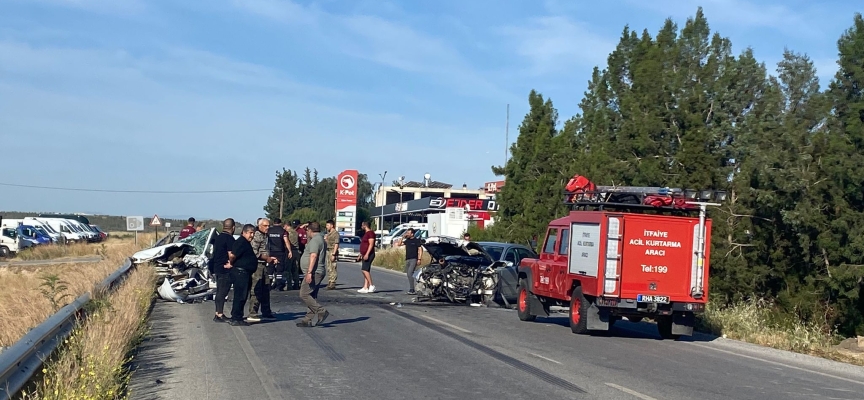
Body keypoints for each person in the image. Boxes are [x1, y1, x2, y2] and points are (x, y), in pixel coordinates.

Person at [297, 222, 330, 327]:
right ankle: (308, 319)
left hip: (314, 272)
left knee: (304, 294)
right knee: (311, 296)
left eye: (307, 231)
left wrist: (309, 272)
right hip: (318, 271)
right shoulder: (320, 239)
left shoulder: (316, 240)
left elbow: (313, 256)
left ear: (310, 230)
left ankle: (321, 310)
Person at [225, 224, 258, 326]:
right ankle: (236, 318)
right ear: (244, 232)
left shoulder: (245, 243)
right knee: (240, 296)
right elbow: (232, 255)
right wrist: (231, 263)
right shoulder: (241, 242)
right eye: (250, 233)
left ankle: (237, 316)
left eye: (253, 233)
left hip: (245, 272)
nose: (252, 235)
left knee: (242, 296)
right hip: (240, 273)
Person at [248, 218, 277, 322]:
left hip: (264, 265)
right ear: (259, 226)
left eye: (268, 226)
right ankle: (253, 313)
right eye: (265, 226)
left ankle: (266, 311)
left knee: (266, 288)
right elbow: (254, 252)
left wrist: (270, 258)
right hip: (257, 265)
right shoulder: (257, 235)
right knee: (256, 289)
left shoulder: (265, 235)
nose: (267, 227)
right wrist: (266, 258)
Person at [211, 218, 236, 322]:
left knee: (219, 291)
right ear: (233, 227)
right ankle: (219, 314)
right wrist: (232, 263)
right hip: (225, 268)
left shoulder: (218, 237)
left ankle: (217, 313)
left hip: (217, 267)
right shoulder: (229, 239)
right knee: (223, 292)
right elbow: (231, 254)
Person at [396, 228, 424, 295]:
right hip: (407, 259)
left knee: (409, 273)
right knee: (409, 274)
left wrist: (419, 259)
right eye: (407, 233)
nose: (407, 234)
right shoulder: (407, 240)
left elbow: (420, 249)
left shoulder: (416, 240)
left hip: (414, 259)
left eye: (408, 233)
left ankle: (412, 289)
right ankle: (417, 285)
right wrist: (402, 237)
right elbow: (399, 244)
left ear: (412, 234)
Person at [268, 218, 293, 291]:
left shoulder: (269, 230)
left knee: (270, 269)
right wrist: (290, 251)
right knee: (280, 269)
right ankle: (278, 286)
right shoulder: (283, 231)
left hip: (271, 252)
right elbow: (286, 241)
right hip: (280, 252)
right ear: (280, 223)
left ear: (273, 223)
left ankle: (268, 285)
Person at [357, 221, 376, 293]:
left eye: (362, 225)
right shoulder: (366, 234)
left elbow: (371, 244)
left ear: (365, 225)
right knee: (366, 270)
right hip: (364, 254)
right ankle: (365, 287)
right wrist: (360, 254)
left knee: (364, 270)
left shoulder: (370, 233)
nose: (361, 227)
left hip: (369, 254)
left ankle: (371, 285)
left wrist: (367, 254)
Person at [285, 220, 302, 290]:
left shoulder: (287, 233)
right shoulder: (295, 232)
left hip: (290, 252)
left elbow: (287, 242)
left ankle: (289, 285)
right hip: (296, 252)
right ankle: (296, 284)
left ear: (286, 225)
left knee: (288, 269)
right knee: (295, 269)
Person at [324, 220, 340, 290]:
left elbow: (336, 244)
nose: (326, 227)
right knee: (329, 267)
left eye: (328, 225)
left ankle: (332, 282)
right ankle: (330, 281)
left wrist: (334, 254)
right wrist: (326, 239)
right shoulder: (329, 233)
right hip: (328, 250)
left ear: (332, 225)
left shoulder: (335, 233)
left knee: (333, 267)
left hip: (332, 250)